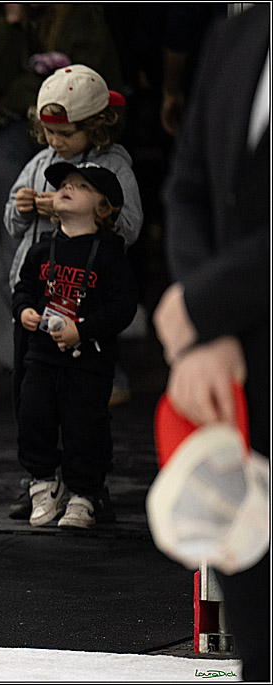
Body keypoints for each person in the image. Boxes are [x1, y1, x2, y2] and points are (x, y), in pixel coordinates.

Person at [153, 4, 269, 680]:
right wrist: (207, 335)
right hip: (243, 400)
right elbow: (188, 187)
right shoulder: (236, 35)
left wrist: (202, 306)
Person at [4, 64, 143, 520]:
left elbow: (130, 226)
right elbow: (10, 222)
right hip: (37, 306)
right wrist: (25, 207)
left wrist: (80, 206)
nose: (54, 143)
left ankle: (86, 486)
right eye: (47, 132)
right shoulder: (41, 163)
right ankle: (41, 479)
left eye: (64, 133)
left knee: (83, 409)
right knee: (31, 402)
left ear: (95, 127)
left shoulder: (114, 164)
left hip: (86, 317)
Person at [0, 3, 123, 375]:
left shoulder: (81, 16)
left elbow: (91, 85)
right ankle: (17, 345)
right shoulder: (8, 20)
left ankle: (96, 358)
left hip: (75, 134)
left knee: (82, 243)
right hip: (18, 134)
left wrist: (23, 92)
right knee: (17, 245)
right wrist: (11, 25)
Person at [12, 162, 138, 529]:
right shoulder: (41, 250)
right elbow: (23, 289)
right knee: (32, 416)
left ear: (103, 207)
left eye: (81, 185)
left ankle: (84, 494)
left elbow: (122, 307)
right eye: (64, 183)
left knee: (86, 427)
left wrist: (82, 330)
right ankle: (43, 483)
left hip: (88, 363)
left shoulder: (112, 255)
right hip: (41, 355)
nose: (67, 187)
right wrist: (25, 311)